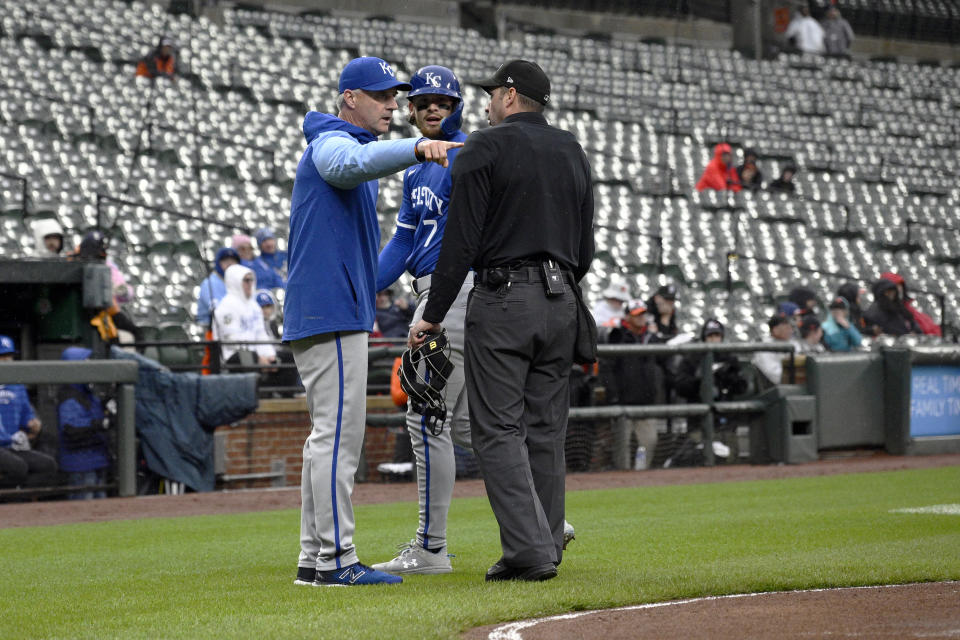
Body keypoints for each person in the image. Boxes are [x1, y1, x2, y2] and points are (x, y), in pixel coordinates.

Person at [409, 59, 594, 583]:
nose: (488, 103)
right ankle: (548, 543)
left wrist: (433, 314)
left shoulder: (482, 148)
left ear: (510, 96)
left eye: (493, 94)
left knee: (496, 428)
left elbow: (460, 244)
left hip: (503, 298)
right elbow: (586, 247)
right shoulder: (572, 149)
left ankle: (528, 552)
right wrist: (555, 282)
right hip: (562, 300)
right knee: (546, 430)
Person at [283, 56, 461, 587]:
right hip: (331, 309)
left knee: (326, 438)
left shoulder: (350, 142)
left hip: (328, 306)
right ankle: (338, 561)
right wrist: (415, 147)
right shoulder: (332, 140)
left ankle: (315, 558)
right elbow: (341, 165)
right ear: (349, 99)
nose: (391, 104)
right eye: (380, 95)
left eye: (393, 96)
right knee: (339, 439)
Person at [599, 301, 665, 470]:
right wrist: (613, 396)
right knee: (622, 450)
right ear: (628, 316)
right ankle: (622, 481)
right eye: (637, 315)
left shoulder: (651, 338)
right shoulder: (617, 336)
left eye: (643, 314)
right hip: (623, 402)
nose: (641, 318)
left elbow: (665, 362)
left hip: (647, 401)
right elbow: (606, 369)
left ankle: (641, 479)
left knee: (649, 442)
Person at [0, 335, 58, 488]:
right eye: (2, 356)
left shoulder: (17, 386)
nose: (6, 360)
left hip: (10, 446)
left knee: (47, 466)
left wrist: (34, 426)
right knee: (18, 467)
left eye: (9, 356)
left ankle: (18, 501)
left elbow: (28, 419)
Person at [57, 347, 110, 500]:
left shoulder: (88, 393)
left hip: (97, 459)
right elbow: (71, 429)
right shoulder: (69, 395)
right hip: (80, 464)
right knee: (83, 510)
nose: (91, 366)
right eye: (86, 362)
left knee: (102, 509)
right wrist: (100, 424)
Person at [212, 264, 277, 370]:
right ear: (235, 281)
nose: (250, 284)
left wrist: (270, 355)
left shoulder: (254, 305)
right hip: (233, 356)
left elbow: (261, 334)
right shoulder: (226, 307)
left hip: (256, 354)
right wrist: (259, 358)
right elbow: (232, 341)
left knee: (286, 359)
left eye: (251, 280)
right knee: (248, 358)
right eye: (246, 280)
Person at [879, 272, 941, 337]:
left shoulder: (908, 311)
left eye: (900, 286)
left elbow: (932, 331)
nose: (898, 291)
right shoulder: (876, 313)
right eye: (894, 287)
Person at [196, 247, 240, 326]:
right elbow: (217, 310)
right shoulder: (209, 283)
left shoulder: (239, 281)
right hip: (210, 327)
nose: (230, 264)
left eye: (233, 261)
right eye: (225, 261)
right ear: (218, 263)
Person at [753, 312, 797, 385]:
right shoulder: (764, 346)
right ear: (775, 329)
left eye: (790, 328)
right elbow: (776, 376)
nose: (790, 331)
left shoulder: (794, 343)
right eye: (787, 328)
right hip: (775, 389)